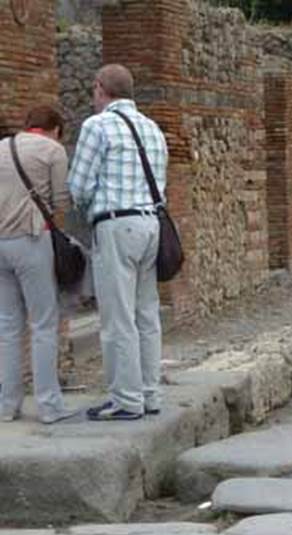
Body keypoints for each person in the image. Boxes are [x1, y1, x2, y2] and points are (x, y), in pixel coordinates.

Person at [68, 64, 168, 421]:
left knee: (117, 317)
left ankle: (126, 400)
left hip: (116, 225)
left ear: (99, 88)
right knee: (146, 314)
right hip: (151, 225)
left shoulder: (97, 126)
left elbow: (78, 185)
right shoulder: (153, 128)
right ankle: (149, 394)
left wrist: (89, 206)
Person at [0, 105, 76, 424]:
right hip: (32, 239)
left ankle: (6, 406)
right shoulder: (53, 150)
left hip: (0, 242)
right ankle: (49, 405)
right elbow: (61, 201)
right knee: (44, 324)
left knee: (7, 326)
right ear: (55, 129)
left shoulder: (2, 147)